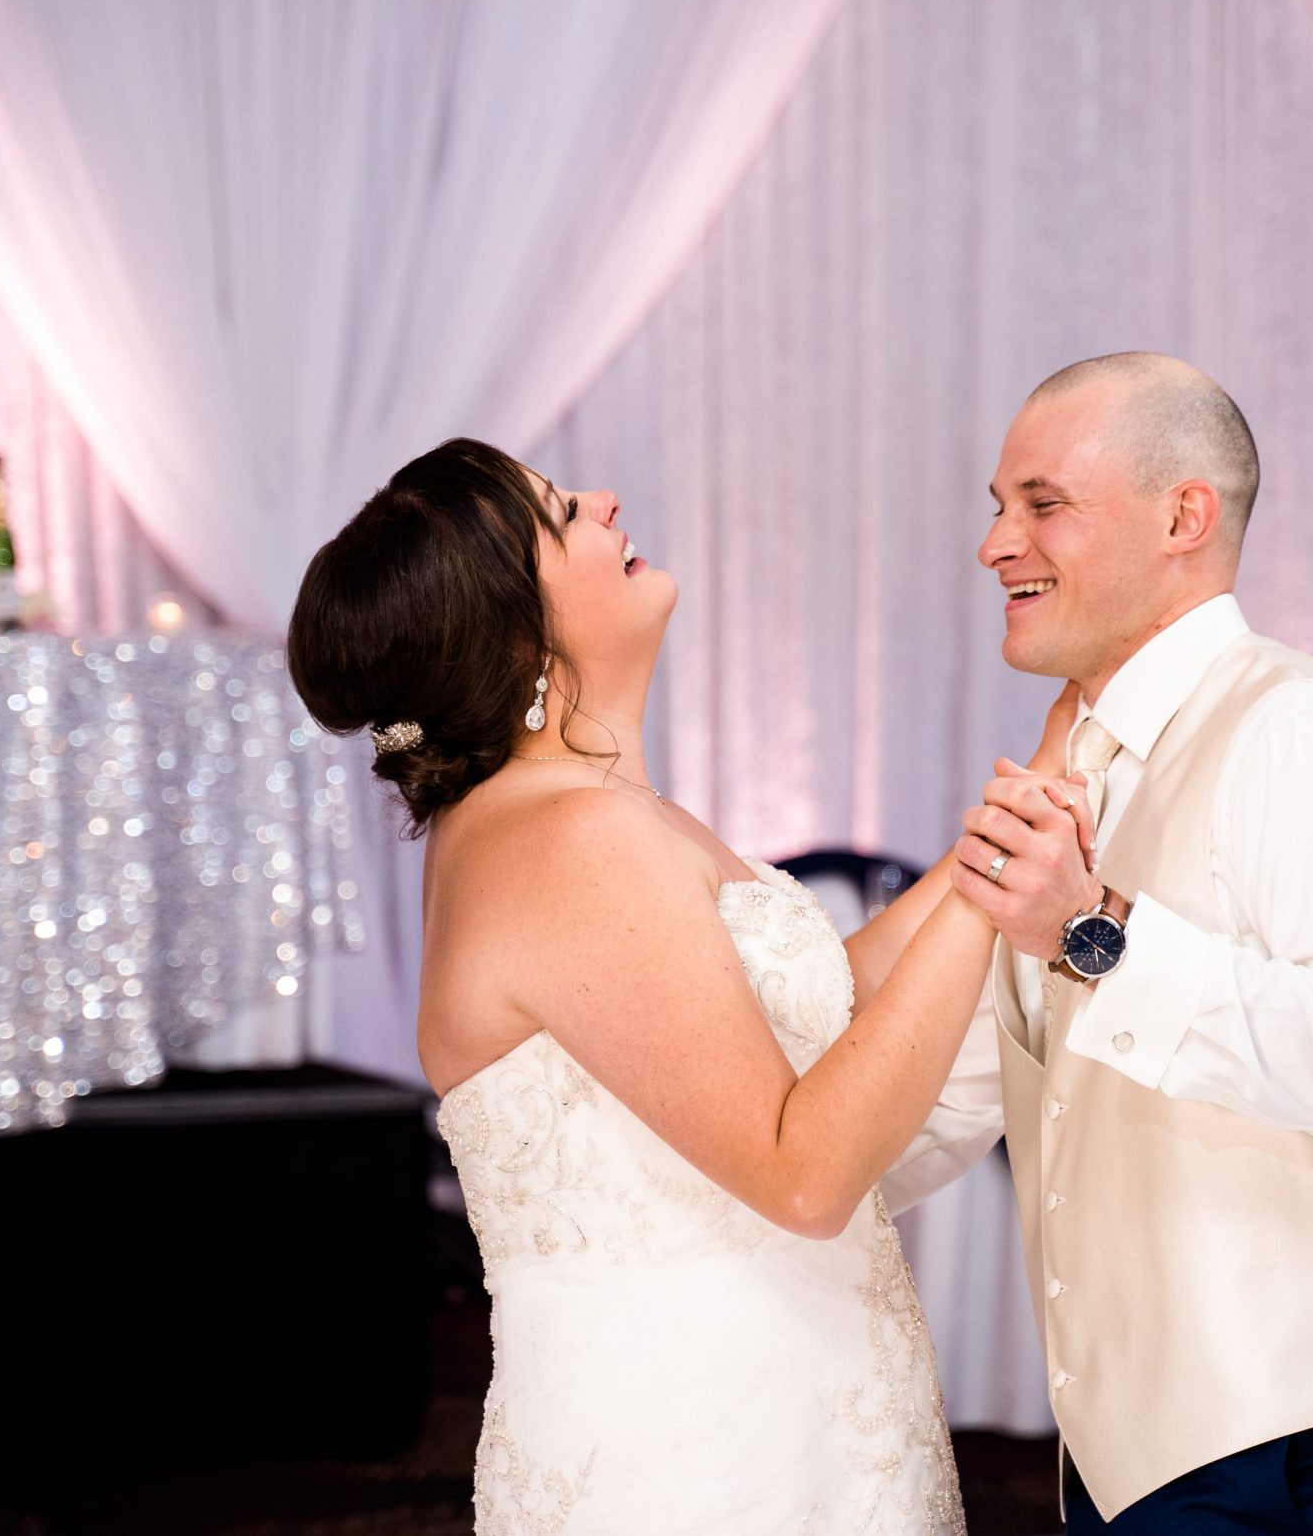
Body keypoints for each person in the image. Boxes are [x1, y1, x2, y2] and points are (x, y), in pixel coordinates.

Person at [287, 438, 1074, 1534]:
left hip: (777, 1393)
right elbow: (802, 1173)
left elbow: (811, 1018)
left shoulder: (574, 818)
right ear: (516, 631)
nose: (605, 499)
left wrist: (1028, 800)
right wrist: (999, 884)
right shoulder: (571, 842)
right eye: (562, 513)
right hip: (702, 1443)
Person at [887, 353, 1313, 1534]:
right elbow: (974, 1087)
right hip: (1133, 1455)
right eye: (996, 508)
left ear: (1184, 515)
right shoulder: (1073, 767)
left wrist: (1096, 935)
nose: (994, 545)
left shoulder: (1310, 735)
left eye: (1041, 504)